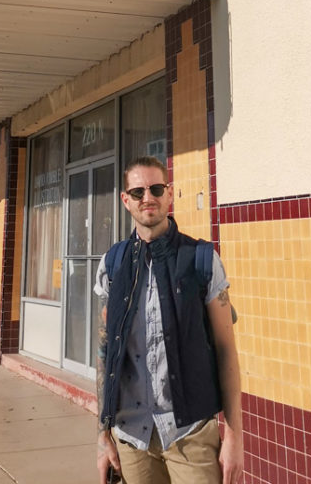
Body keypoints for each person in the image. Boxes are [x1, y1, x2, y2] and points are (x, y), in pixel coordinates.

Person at [95, 156, 243, 484]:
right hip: (132, 439)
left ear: (170, 194)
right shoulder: (112, 264)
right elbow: (105, 354)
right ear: (125, 200)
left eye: (156, 188)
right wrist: (103, 435)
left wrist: (233, 437)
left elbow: (226, 353)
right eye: (137, 192)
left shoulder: (202, 260)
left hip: (191, 435)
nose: (148, 197)